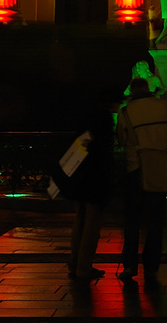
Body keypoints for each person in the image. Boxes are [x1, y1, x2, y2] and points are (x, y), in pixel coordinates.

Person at [118, 76, 167, 282]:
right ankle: (152, 264)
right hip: (159, 169)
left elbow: (121, 138)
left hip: (136, 168)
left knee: (132, 220)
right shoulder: (163, 105)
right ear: (148, 88)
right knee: (156, 220)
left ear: (132, 91)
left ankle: (130, 265)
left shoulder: (126, 112)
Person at [62, 97, 114, 281]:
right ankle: (83, 267)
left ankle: (74, 263)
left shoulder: (84, 125)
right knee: (92, 225)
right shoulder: (103, 122)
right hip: (95, 182)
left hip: (81, 179)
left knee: (80, 221)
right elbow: (105, 154)